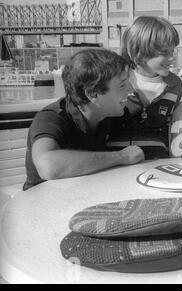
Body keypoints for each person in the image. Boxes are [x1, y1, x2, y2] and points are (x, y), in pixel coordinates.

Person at [23, 49, 145, 190]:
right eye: (122, 84)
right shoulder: (51, 118)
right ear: (93, 93)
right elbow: (48, 165)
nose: (131, 89)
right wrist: (121, 157)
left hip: (83, 196)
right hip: (41, 204)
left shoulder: (111, 113)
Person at [108, 16, 182, 159]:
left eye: (172, 51)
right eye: (165, 53)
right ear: (140, 52)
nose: (172, 58)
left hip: (157, 161)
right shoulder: (116, 78)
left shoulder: (175, 85)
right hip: (115, 161)